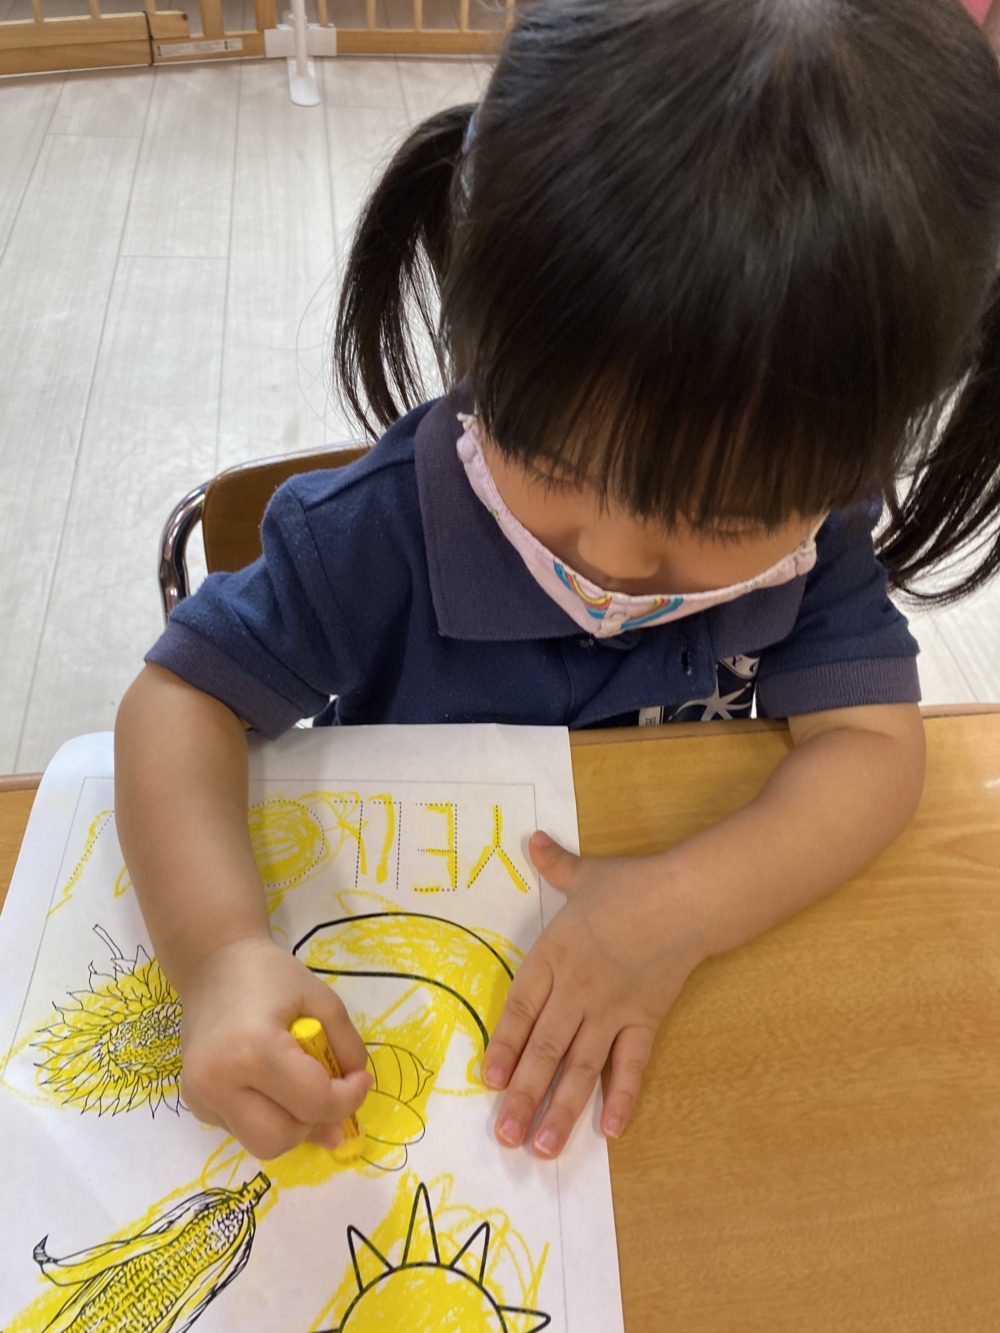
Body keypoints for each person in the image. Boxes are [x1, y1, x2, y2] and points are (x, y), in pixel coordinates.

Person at [116, 0, 1000, 1164]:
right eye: (557, 465)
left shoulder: (813, 535)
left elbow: (875, 749)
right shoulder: (375, 534)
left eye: (716, 521)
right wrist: (221, 951)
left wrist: (686, 903)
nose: (614, 557)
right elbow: (179, 700)